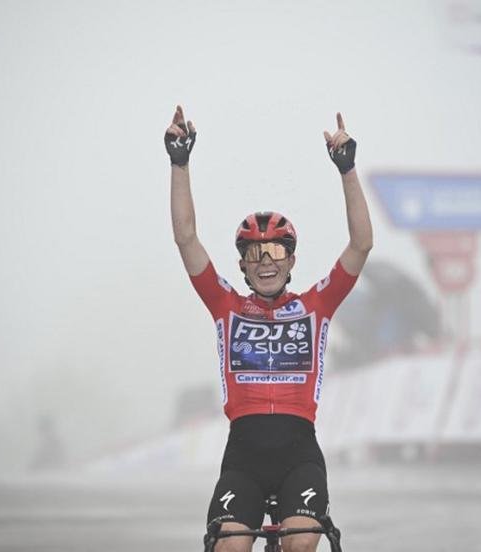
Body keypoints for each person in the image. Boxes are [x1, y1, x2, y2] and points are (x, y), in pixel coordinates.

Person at [166, 105, 372, 552]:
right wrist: (179, 163)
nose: (266, 263)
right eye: (255, 254)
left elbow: (361, 244)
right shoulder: (225, 305)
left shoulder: (315, 305)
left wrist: (347, 170)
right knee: (230, 547)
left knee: (302, 543)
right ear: (241, 265)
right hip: (244, 457)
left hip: (300, 455)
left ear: (291, 261)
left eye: (276, 253)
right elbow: (186, 238)